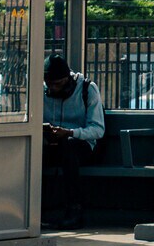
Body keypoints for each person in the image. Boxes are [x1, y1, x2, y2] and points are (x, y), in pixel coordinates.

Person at [42, 55, 106, 229]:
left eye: (59, 84)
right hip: (52, 144)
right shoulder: (41, 90)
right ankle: (38, 207)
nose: (54, 89)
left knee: (69, 148)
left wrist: (70, 132)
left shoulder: (87, 89)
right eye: (50, 85)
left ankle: (74, 209)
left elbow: (98, 129)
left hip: (82, 145)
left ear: (68, 79)